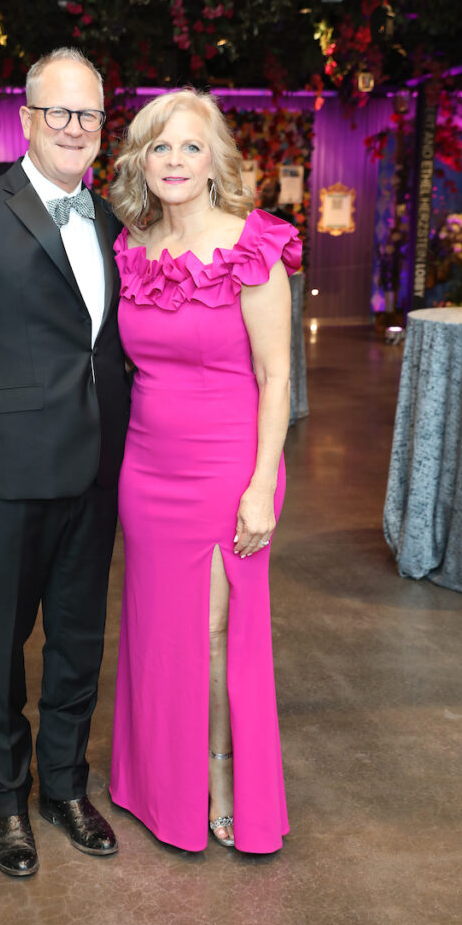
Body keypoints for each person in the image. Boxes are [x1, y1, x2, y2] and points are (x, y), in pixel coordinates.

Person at [0, 48, 131, 878]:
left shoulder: (110, 219)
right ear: (28, 120)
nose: (76, 129)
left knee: (78, 642)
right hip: (2, 480)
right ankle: (6, 800)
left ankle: (65, 786)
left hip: (96, 474)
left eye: (89, 115)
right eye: (60, 113)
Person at [109, 90, 301, 855]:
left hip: (228, 467)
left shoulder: (251, 246)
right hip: (145, 465)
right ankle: (157, 782)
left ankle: (220, 779)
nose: (175, 162)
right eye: (160, 147)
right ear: (141, 161)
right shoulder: (130, 245)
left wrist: (260, 485)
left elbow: (277, 376)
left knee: (216, 634)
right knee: (157, 632)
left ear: (216, 158)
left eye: (191, 147)